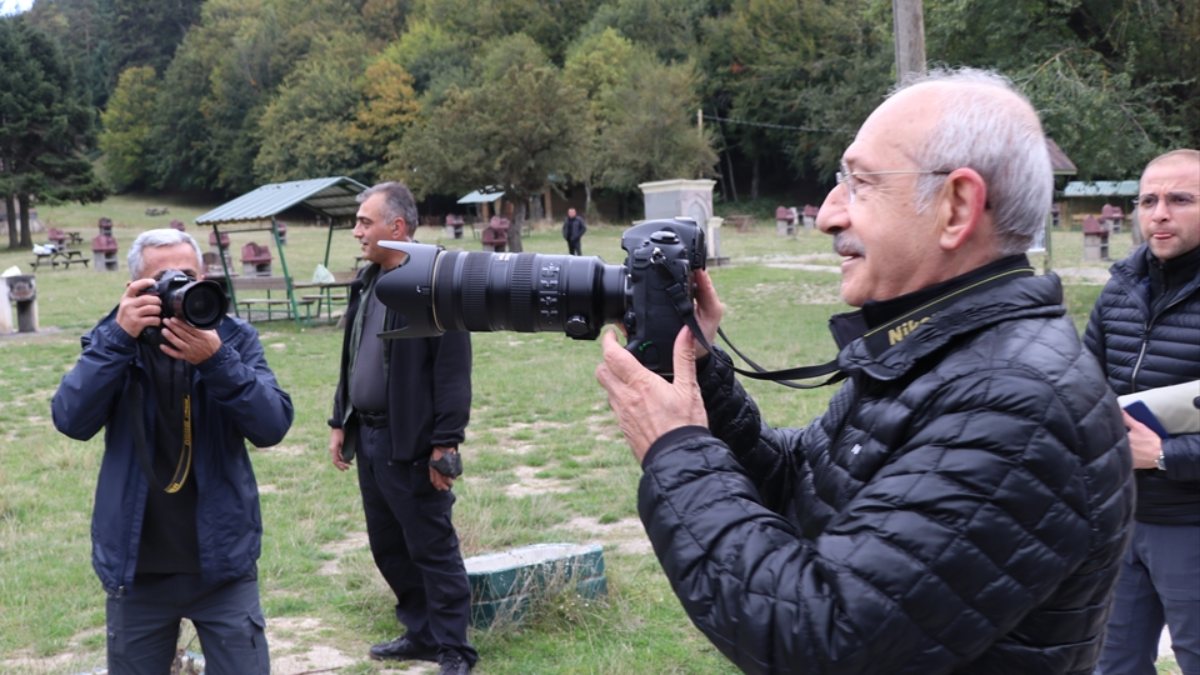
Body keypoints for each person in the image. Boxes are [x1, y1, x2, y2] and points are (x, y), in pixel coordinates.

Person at [595, 68, 1134, 674]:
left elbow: (821, 639)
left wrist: (677, 452)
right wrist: (702, 378)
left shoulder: (1017, 404)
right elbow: (805, 490)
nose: (828, 215)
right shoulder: (943, 353)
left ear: (956, 207)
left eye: (861, 183)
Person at [51, 228, 294, 674]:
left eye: (188, 276)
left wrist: (217, 360)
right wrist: (119, 340)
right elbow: (70, 418)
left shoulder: (232, 338)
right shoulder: (114, 340)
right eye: (164, 279)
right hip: (138, 567)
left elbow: (272, 425)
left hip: (222, 564)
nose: (179, 288)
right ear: (134, 289)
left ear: (204, 277)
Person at [328, 181, 477, 675]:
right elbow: (351, 356)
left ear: (396, 227)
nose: (356, 232)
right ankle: (422, 633)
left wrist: (445, 445)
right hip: (368, 438)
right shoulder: (368, 281)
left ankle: (455, 648)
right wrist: (339, 421)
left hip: (411, 441)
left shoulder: (436, 282)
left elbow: (453, 371)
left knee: (431, 547)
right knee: (388, 544)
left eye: (364, 222)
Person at [1088, 149, 1200, 675]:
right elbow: (1081, 390)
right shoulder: (1119, 291)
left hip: (1190, 523)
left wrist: (1164, 455)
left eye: (1180, 200)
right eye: (1148, 200)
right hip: (1120, 519)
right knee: (1112, 664)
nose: (1159, 213)